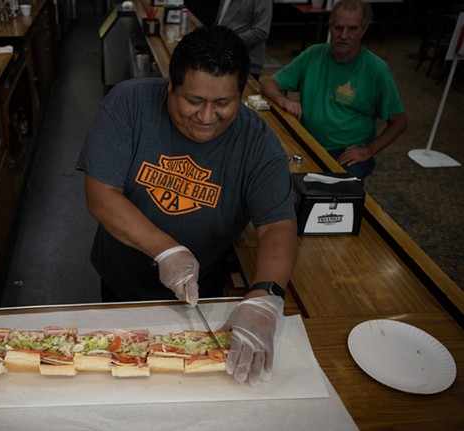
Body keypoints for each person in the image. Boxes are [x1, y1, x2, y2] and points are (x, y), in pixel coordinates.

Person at [76, 25, 297, 386]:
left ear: (242, 94)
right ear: (170, 86)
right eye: (194, 101)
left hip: (199, 298)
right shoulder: (129, 104)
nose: (207, 117)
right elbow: (101, 195)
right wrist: (166, 250)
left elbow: (277, 225)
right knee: (121, 373)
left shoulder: (258, 143)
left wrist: (264, 297)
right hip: (120, 280)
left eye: (223, 103)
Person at [260, 0, 408, 180]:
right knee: (268, 174)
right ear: (330, 27)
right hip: (306, 140)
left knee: (336, 200)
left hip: (344, 153)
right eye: (338, 28)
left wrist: (368, 150)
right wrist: (284, 100)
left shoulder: (376, 70)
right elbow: (267, 81)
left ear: (363, 30)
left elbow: (399, 121)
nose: (343, 35)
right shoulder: (314, 54)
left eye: (352, 29)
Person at [216, 0, 273, 80]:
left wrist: (228, 41)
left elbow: (262, 32)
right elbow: (220, 21)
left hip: (244, 64)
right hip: (222, 58)